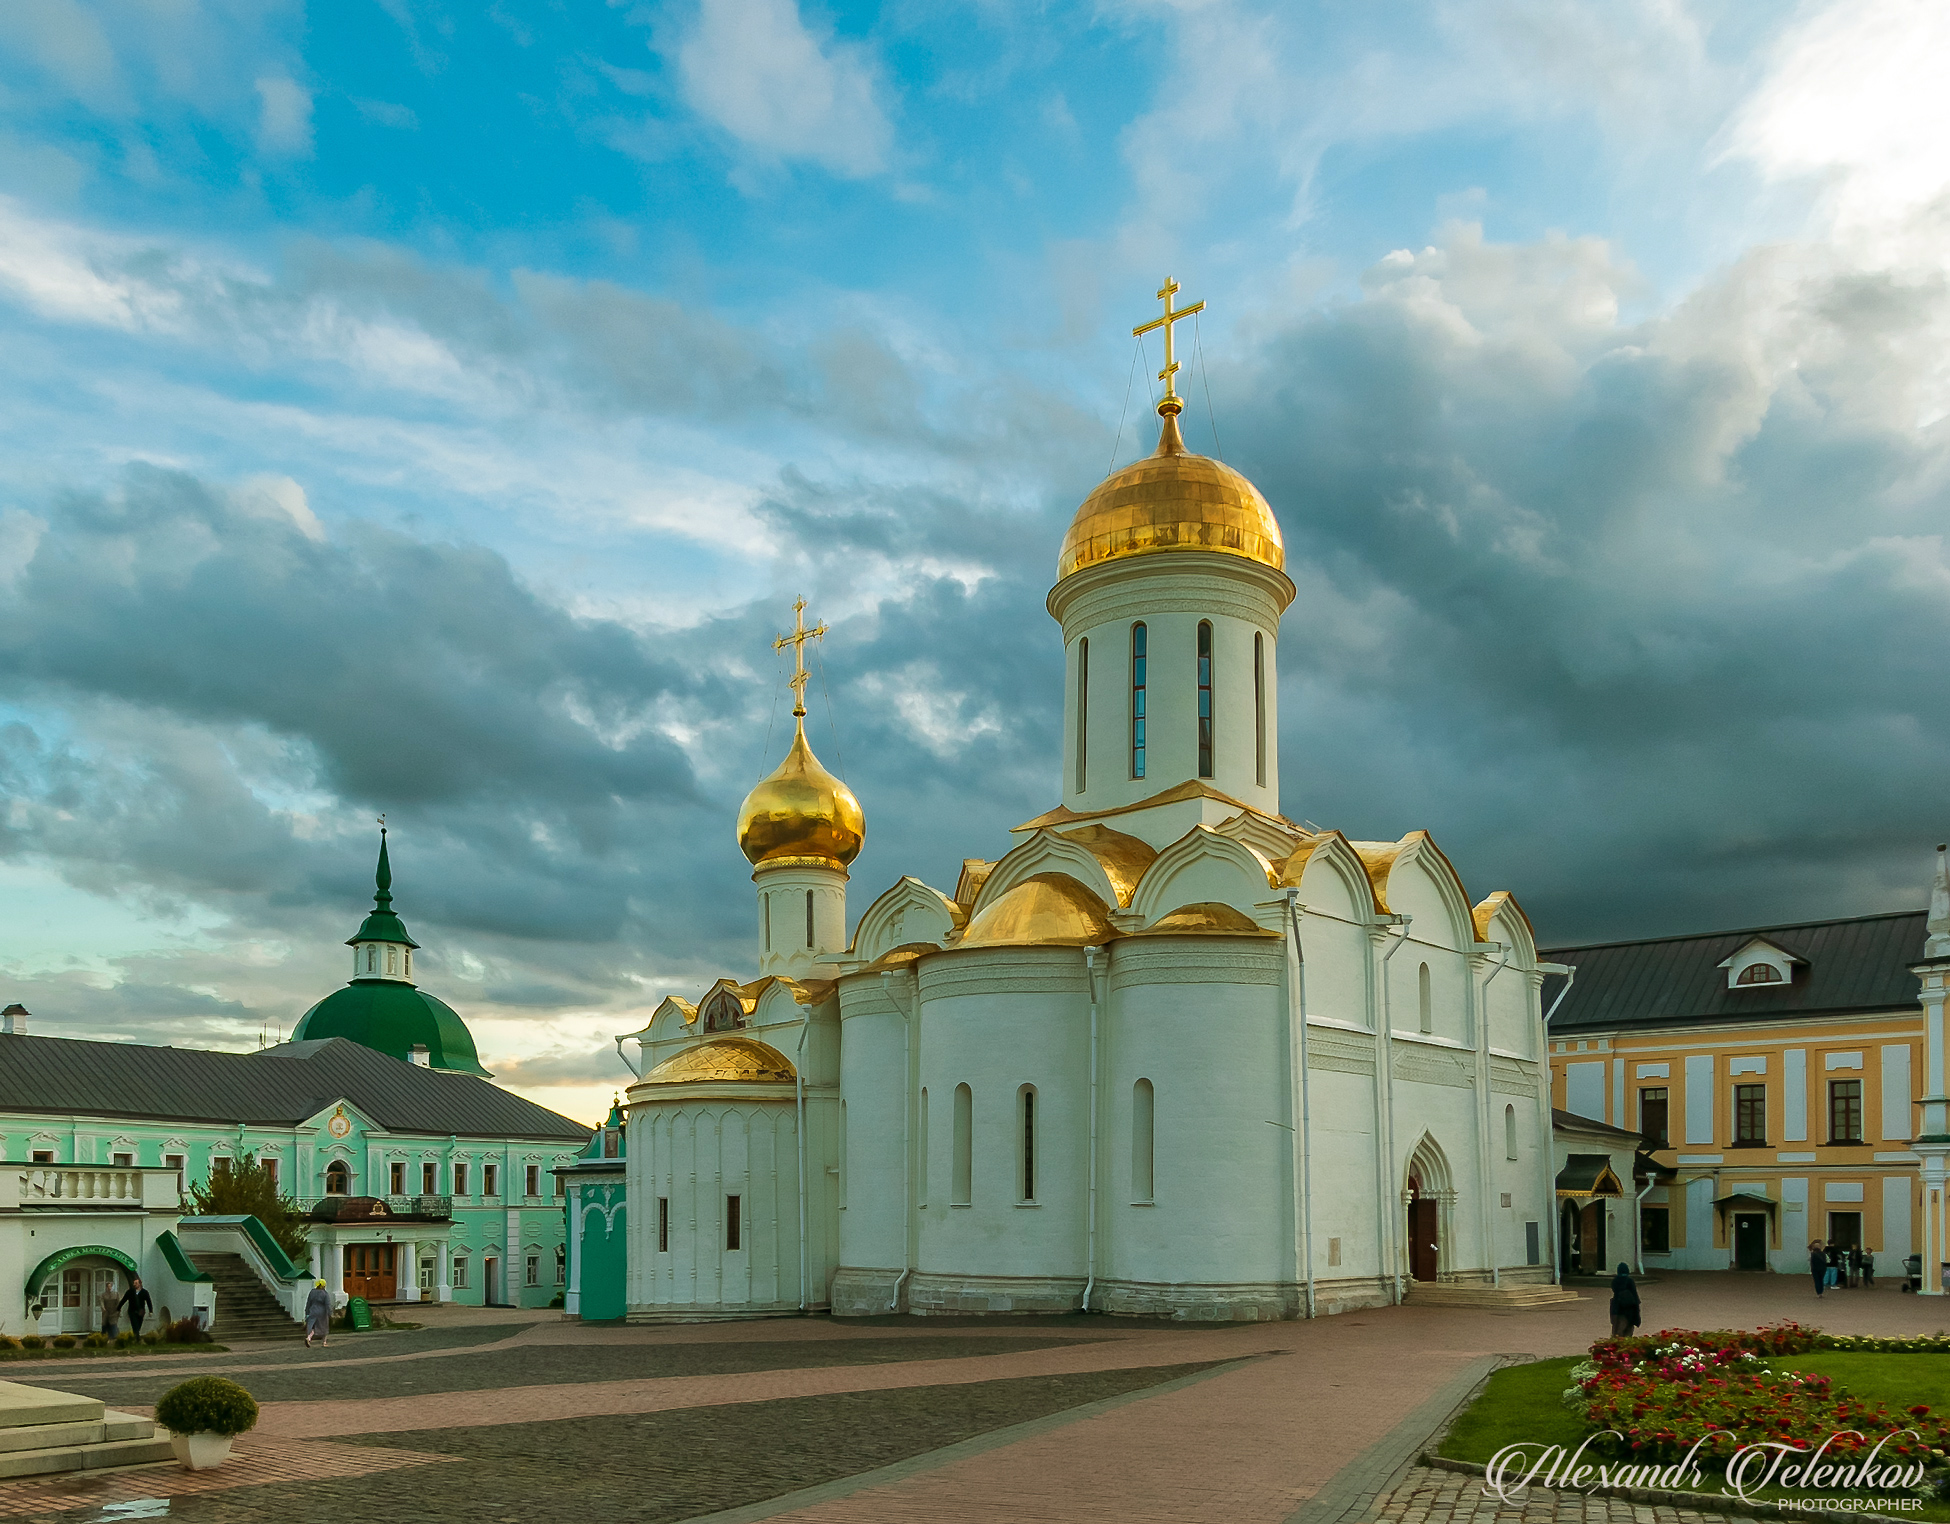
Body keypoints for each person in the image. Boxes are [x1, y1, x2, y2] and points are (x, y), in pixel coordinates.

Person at [1608, 1262, 1641, 1337]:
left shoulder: (1615, 1281)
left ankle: (1614, 1347)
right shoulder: (1630, 1281)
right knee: (1627, 1332)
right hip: (1629, 1311)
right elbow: (1635, 1297)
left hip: (1616, 1310)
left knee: (1616, 1332)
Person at [305, 1279, 332, 1348]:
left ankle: (309, 1337)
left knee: (312, 1326)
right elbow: (327, 1304)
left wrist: (307, 1311)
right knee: (324, 1326)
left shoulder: (312, 1292)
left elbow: (308, 1302)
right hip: (322, 1312)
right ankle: (324, 1342)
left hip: (313, 1310)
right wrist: (330, 1313)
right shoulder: (325, 1293)